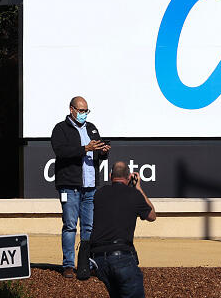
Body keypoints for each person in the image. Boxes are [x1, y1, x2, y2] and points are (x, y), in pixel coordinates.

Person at [51, 96, 111, 278]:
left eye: (86, 111)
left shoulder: (91, 128)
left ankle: (85, 263)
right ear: (72, 109)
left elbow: (97, 152)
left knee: (89, 227)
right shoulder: (60, 129)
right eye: (81, 110)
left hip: (90, 186)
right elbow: (60, 151)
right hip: (70, 186)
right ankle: (68, 265)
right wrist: (85, 149)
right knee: (70, 226)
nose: (84, 114)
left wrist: (103, 151)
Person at [89, 161, 157, 297]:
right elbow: (152, 215)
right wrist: (138, 188)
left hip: (99, 260)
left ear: (110, 176)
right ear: (129, 177)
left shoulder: (99, 194)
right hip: (122, 256)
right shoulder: (134, 194)